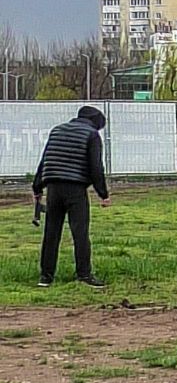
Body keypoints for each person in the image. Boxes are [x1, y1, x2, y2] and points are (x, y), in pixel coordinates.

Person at [33, 105, 110, 289]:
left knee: (51, 232)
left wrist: (37, 187)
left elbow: (45, 160)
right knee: (80, 232)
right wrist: (103, 194)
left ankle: (46, 277)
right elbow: (96, 166)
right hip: (75, 188)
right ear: (96, 122)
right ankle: (84, 275)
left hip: (53, 187)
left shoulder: (57, 130)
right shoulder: (91, 135)